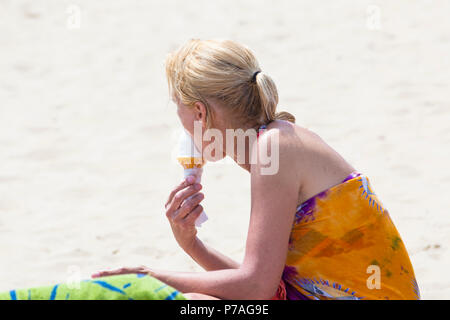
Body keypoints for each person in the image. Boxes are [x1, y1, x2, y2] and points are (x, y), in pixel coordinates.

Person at [94, 39, 420, 300]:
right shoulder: (276, 144)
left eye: (178, 111)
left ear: (199, 113)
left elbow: (255, 289)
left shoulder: (274, 148)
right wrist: (192, 244)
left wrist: (150, 279)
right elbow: (267, 288)